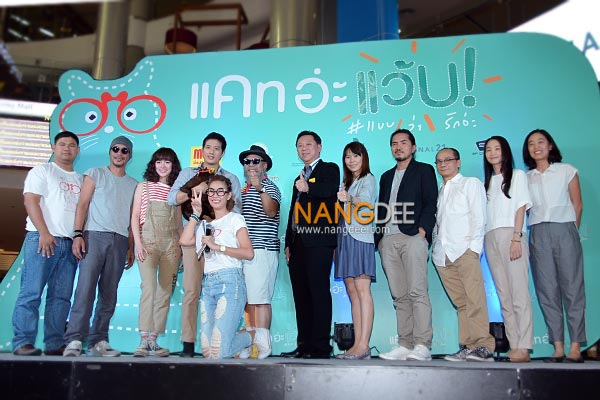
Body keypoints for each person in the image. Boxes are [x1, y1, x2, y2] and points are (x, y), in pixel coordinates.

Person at [167, 131, 242, 357]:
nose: (211, 152)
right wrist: (194, 189)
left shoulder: (230, 178)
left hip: (220, 239)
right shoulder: (189, 173)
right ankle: (188, 343)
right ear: (202, 150)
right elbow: (172, 198)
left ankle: (220, 339)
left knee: (220, 289)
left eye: (216, 148)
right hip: (193, 235)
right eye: (208, 147)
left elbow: (237, 209)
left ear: (223, 153)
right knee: (191, 290)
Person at [63, 136, 137, 357]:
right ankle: (74, 339)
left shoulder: (134, 184)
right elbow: (82, 204)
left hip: (120, 241)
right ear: (110, 151)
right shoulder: (95, 173)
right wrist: (78, 234)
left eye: (124, 150)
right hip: (94, 236)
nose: (119, 153)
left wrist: (131, 247)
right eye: (116, 149)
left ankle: (99, 340)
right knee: (85, 289)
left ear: (129, 156)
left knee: (109, 294)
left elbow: (132, 219)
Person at [12, 131, 82, 356]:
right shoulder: (42, 170)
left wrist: (78, 238)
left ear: (78, 150)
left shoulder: (81, 179)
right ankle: (22, 342)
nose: (67, 148)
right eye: (62, 144)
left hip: (69, 245)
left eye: (72, 145)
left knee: (61, 298)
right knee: (31, 293)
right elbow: (30, 201)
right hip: (42, 239)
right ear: (53, 147)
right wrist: (44, 232)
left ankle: (54, 343)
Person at [523, 129, 586, 363]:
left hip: (565, 229)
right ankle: (558, 347)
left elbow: (577, 205)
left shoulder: (566, 170)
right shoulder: (526, 177)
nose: (536, 146)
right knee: (547, 290)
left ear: (550, 146)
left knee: (573, 288)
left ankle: (576, 346)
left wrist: (570, 232)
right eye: (531, 143)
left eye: (541, 142)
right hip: (538, 232)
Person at [179, 175, 259, 358]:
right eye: (211, 192)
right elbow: (184, 240)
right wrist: (195, 214)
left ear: (229, 195)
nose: (215, 195)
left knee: (219, 350)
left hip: (230, 282)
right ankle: (240, 342)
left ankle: (253, 335)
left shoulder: (235, 219)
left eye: (220, 191)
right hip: (208, 286)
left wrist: (217, 247)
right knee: (208, 351)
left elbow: (248, 253)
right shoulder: (205, 225)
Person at [375, 129, 437, 361]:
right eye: (394, 143)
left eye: (403, 142)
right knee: (399, 295)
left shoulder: (424, 170)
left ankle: (422, 344)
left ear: (413, 147)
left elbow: (431, 202)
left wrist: (423, 231)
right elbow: (382, 208)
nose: (398, 147)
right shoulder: (386, 176)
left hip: (413, 237)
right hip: (388, 240)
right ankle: (405, 344)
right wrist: (380, 238)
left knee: (417, 292)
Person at [432, 147, 496, 362]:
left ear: (458, 162)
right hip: (443, 255)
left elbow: (480, 217)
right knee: (462, 303)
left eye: (448, 160)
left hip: (465, 250)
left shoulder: (471, 183)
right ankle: (468, 346)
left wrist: (474, 249)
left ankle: (484, 346)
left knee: (475, 299)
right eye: (439, 161)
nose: (443, 164)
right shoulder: (441, 190)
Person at [282, 130, 340, 359]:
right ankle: (304, 345)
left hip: (319, 240)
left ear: (319, 146)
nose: (304, 148)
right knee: (301, 295)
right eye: (300, 145)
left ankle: (321, 347)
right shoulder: (299, 177)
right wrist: (288, 241)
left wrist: (309, 188)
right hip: (297, 243)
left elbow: (330, 191)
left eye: (308, 144)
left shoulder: (329, 169)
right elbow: (293, 211)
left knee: (318, 292)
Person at [483, 136, 533, 362]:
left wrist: (516, 237)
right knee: (503, 295)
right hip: (490, 237)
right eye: (489, 149)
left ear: (505, 152)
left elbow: (521, 207)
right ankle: (514, 344)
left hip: (511, 235)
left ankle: (524, 345)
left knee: (519, 293)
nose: (493, 153)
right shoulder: (486, 183)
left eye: (497, 148)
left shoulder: (518, 175)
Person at [131, 148, 183, 357]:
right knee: (149, 288)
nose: (162, 166)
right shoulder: (143, 186)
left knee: (165, 292)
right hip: (148, 242)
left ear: (173, 166)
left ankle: (153, 340)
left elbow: (178, 224)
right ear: (153, 164)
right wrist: (138, 243)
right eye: (159, 161)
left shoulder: (175, 191)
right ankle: (143, 339)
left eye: (167, 162)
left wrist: (182, 250)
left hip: (171, 245)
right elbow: (135, 216)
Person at [334, 142, 376, 360]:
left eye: (355, 156)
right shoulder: (347, 182)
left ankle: (364, 345)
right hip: (344, 238)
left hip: (360, 238)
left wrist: (349, 198)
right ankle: (357, 345)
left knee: (362, 290)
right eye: (347, 157)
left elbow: (367, 204)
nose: (351, 160)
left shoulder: (368, 179)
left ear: (363, 158)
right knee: (352, 292)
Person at [239, 144, 281, 359]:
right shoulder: (241, 190)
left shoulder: (271, 187)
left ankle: (264, 345)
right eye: (247, 161)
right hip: (243, 253)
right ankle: (251, 342)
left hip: (263, 250)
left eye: (256, 161)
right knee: (247, 300)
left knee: (261, 299)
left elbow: (271, 211)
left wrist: (260, 188)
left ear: (265, 166)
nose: (251, 165)